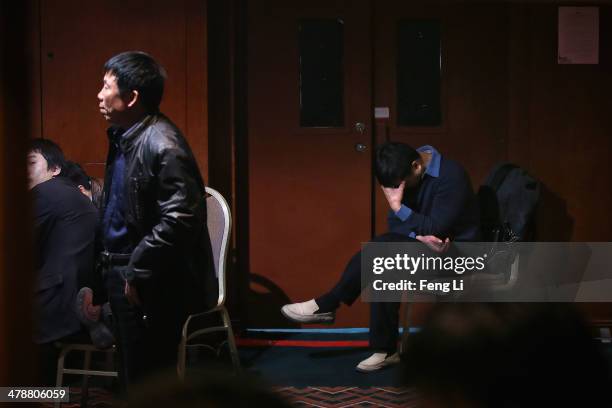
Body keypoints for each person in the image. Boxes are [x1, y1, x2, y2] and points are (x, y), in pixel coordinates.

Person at [281, 142, 480, 372]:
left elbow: (437, 226)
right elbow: (397, 226)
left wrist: (398, 208)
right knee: (385, 260)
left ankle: (328, 304)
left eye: (399, 187)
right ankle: (385, 351)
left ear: (416, 166)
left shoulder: (451, 176)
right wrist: (417, 236)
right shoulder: (403, 171)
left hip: (459, 256)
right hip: (428, 249)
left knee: (382, 251)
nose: (397, 192)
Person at [95, 51, 217, 391]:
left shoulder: (162, 143)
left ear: (132, 97)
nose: (100, 95)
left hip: (149, 277)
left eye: (107, 87)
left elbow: (181, 218)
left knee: (149, 380)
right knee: (133, 375)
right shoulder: (127, 135)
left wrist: (138, 270)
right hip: (123, 268)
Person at [28, 138, 101, 383]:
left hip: (53, 302)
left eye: (30, 163)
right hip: (78, 298)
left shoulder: (45, 193)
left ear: (55, 168)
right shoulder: (69, 194)